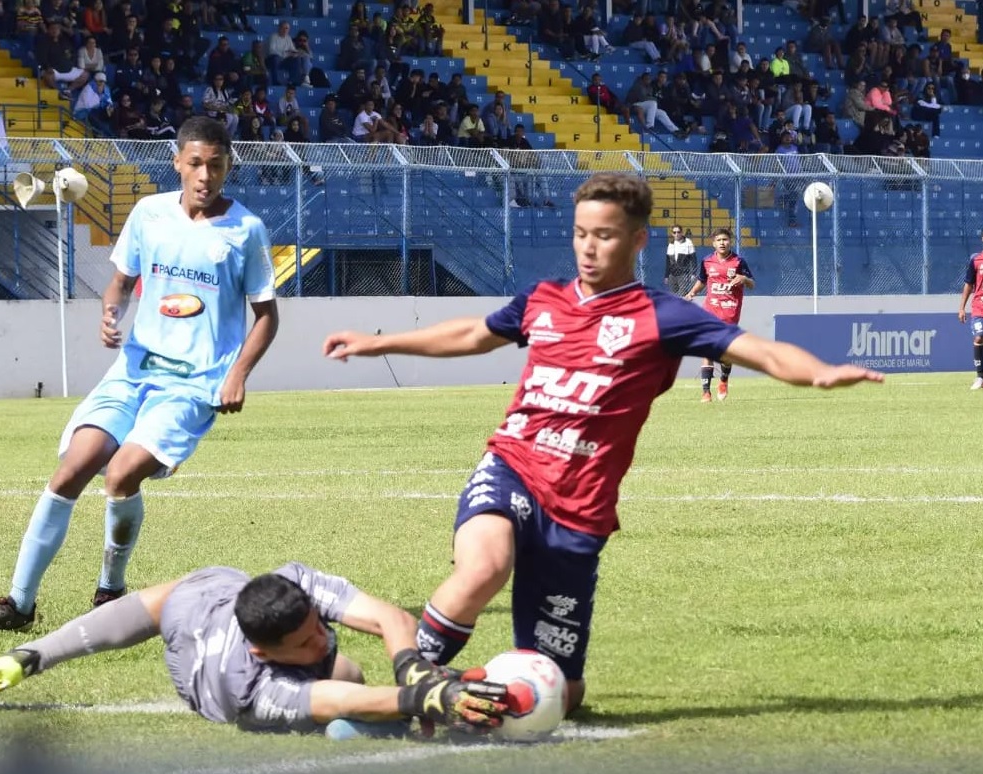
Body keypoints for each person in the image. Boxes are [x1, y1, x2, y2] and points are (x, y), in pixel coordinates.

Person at [321, 174, 884, 711]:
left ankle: (478, 687)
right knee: (484, 567)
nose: (588, 248)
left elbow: (755, 349)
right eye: (580, 234)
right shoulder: (543, 299)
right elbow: (473, 334)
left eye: (605, 236)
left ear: (638, 240)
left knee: (562, 695)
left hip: (582, 507)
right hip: (513, 465)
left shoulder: (665, 317)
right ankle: (407, 690)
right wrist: (380, 343)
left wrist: (816, 372)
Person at [0, 118, 281, 634]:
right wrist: (111, 313)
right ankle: (18, 603)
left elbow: (267, 316)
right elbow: (120, 283)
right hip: (132, 372)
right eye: (195, 163)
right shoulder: (149, 213)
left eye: (216, 166)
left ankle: (110, 589)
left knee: (121, 474)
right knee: (71, 471)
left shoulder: (246, 231)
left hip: (193, 385)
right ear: (177, 161)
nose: (205, 175)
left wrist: (237, 374)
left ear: (227, 167)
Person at [0, 562, 508, 736]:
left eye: (318, 624)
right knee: (351, 686)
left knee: (359, 667)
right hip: (203, 676)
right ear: (267, 654)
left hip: (210, 594)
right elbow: (336, 701)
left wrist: (414, 669)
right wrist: (424, 701)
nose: (321, 634)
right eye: (305, 640)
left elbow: (390, 617)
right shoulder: (243, 688)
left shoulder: (273, 583)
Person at [684, 227, 755, 402]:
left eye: (725, 239)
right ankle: (706, 392)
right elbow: (702, 280)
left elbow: (752, 284)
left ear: (730, 241)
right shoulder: (707, 261)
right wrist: (691, 293)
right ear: (713, 243)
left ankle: (723, 379)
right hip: (711, 309)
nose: (722, 243)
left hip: (730, 311)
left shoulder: (739, 262)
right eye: (719, 240)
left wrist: (744, 279)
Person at [957, 233, 983, 390]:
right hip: (979, 307)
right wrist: (961, 308)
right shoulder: (976, 259)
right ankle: (980, 377)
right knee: (979, 337)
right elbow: (968, 284)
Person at [664, 225, 696, 295]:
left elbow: (693, 259)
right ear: (672, 234)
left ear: (682, 232)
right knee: (673, 295)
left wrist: (693, 273)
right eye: (674, 232)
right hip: (672, 274)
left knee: (683, 294)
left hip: (683, 273)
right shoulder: (671, 244)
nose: (676, 234)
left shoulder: (688, 242)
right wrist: (666, 276)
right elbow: (668, 262)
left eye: (678, 232)